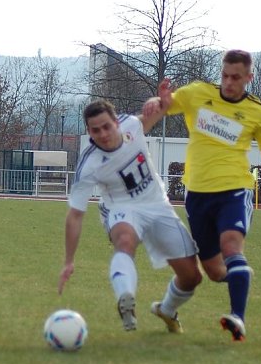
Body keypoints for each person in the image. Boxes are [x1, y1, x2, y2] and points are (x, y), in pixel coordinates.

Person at [143, 49, 261, 341]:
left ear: (249, 77)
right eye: (225, 75)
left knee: (231, 245)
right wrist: (156, 100)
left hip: (235, 189)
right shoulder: (198, 93)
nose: (228, 82)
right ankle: (226, 283)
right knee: (213, 271)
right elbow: (166, 104)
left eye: (236, 77)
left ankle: (237, 317)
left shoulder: (258, 112)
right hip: (198, 195)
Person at [58, 99, 202, 334]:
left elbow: (158, 111)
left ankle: (166, 309)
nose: (103, 134)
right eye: (95, 130)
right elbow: (75, 215)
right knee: (125, 241)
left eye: (107, 126)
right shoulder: (89, 164)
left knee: (191, 276)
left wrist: (160, 100)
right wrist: (68, 261)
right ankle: (125, 297)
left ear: (117, 122)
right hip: (120, 207)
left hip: (156, 204)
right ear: (88, 131)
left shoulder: (132, 125)